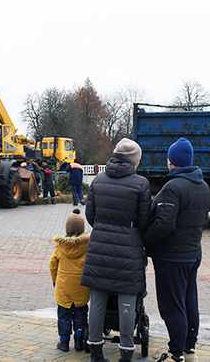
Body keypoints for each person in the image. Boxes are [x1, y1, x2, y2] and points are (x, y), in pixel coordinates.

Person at [82, 138, 151, 362]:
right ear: (135, 160)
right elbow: (144, 220)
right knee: (127, 301)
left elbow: (90, 215)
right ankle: (126, 353)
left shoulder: (98, 180)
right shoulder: (141, 184)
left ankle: (96, 351)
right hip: (128, 249)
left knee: (97, 300)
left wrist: (104, 227)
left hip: (99, 245)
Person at [144, 137, 210, 362]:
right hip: (193, 253)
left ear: (173, 161)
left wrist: (145, 243)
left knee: (172, 305)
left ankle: (176, 352)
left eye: (168, 159)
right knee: (189, 300)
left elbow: (164, 224)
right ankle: (189, 345)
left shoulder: (173, 188)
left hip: (172, 257)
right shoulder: (203, 186)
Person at [49, 209, 91, 353]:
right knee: (81, 316)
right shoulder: (86, 246)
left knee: (64, 316)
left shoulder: (61, 246)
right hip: (81, 288)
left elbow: (52, 265)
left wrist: (55, 280)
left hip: (63, 288)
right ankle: (79, 341)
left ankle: (64, 342)